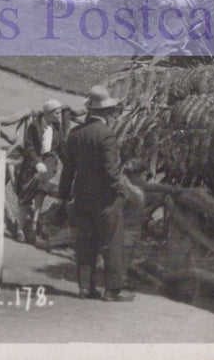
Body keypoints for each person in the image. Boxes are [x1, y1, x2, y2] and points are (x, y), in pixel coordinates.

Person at [57, 86, 135, 302]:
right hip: (105, 200)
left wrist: (63, 196)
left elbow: (68, 169)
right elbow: (111, 171)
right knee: (111, 243)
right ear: (106, 113)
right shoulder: (106, 136)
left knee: (85, 243)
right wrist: (120, 192)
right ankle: (112, 290)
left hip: (81, 197)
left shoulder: (75, 134)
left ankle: (85, 287)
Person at [15, 99, 64, 243]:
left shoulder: (56, 128)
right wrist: (37, 162)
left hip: (47, 164)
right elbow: (29, 147)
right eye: (57, 112)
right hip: (31, 164)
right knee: (25, 195)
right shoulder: (34, 126)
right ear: (48, 113)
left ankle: (34, 224)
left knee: (40, 187)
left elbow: (60, 148)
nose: (60, 115)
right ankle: (20, 228)